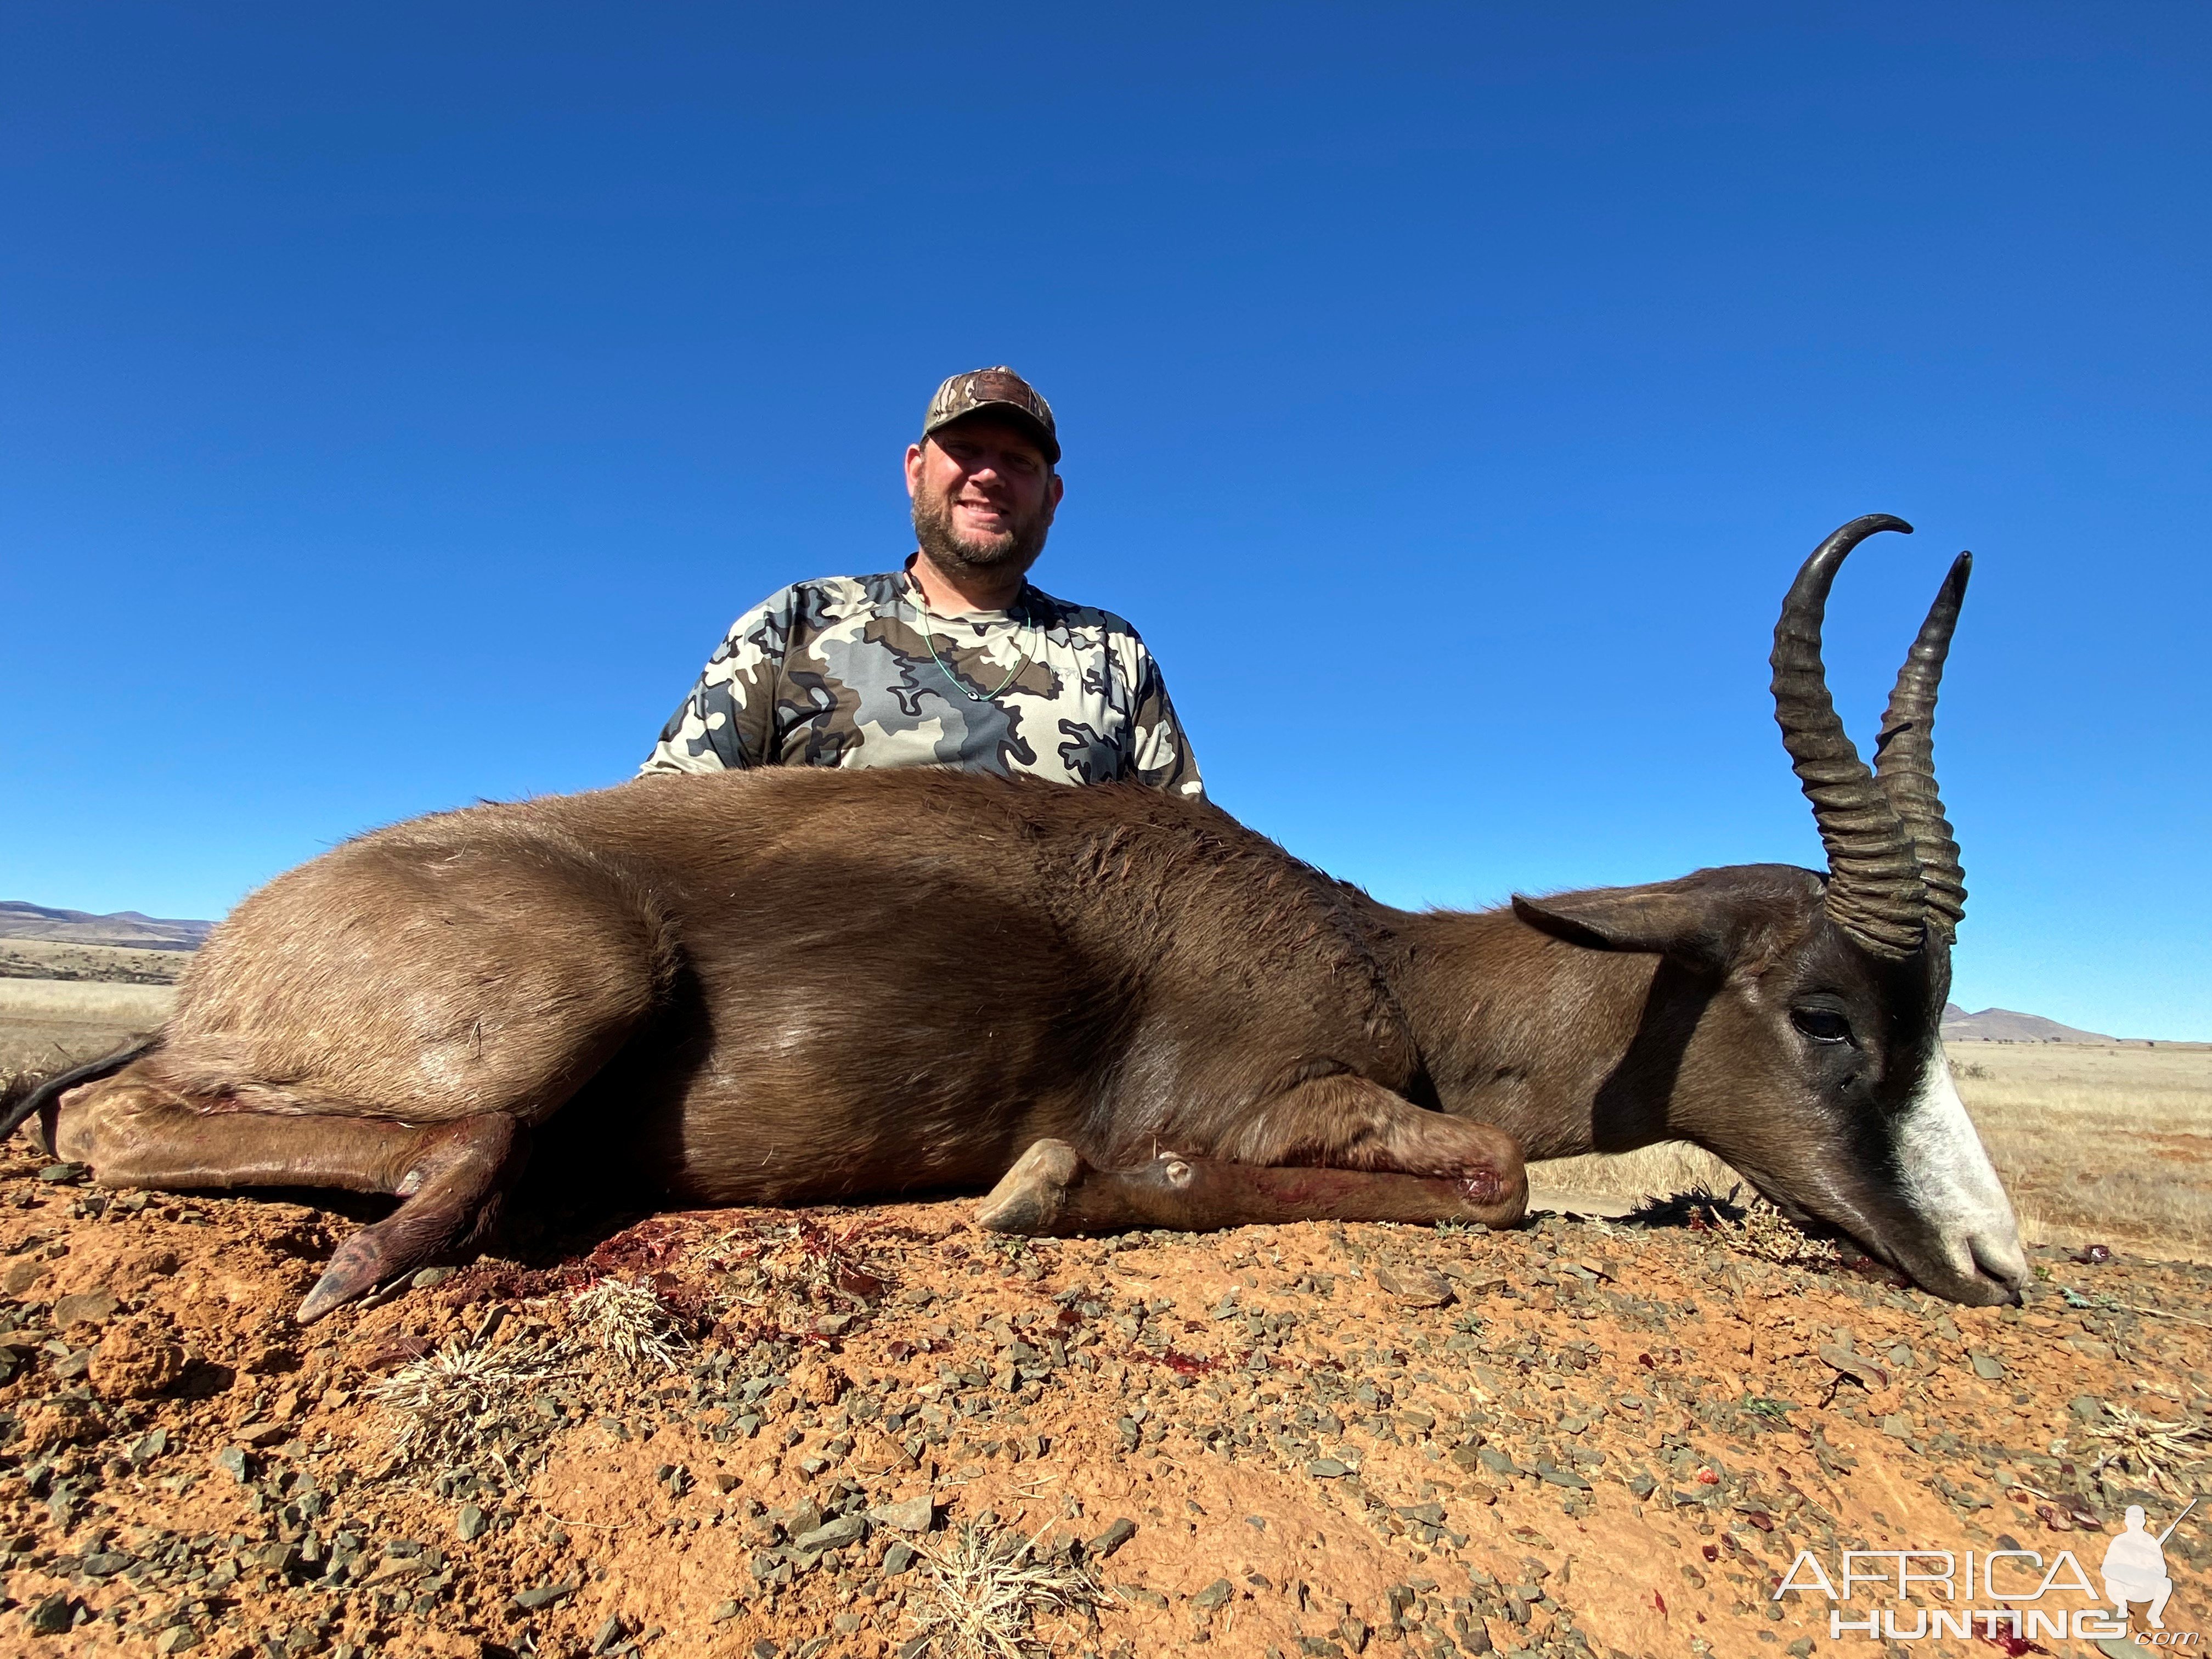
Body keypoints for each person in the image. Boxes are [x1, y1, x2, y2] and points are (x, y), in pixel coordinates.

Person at [640, 366, 1203, 797]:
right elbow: (662, 817)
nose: (988, 475)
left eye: (1019, 461)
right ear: (915, 471)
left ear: (1052, 498)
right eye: (964, 450)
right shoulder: (798, 621)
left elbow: (1188, 859)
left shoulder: (1112, 651)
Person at [2102, 1505, 2175, 1628]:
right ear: (2126, 1521)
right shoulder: (2119, 1541)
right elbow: (2106, 1569)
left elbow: (2162, 1571)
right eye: (2131, 1519)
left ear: (2143, 1522)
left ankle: (2154, 1615)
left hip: (2143, 1588)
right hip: (2123, 1587)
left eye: (2138, 1519)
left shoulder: (2151, 1543)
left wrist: (2148, 1566)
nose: (2134, 1522)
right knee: (2112, 1583)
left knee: (2166, 1583)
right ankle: (2122, 1607)